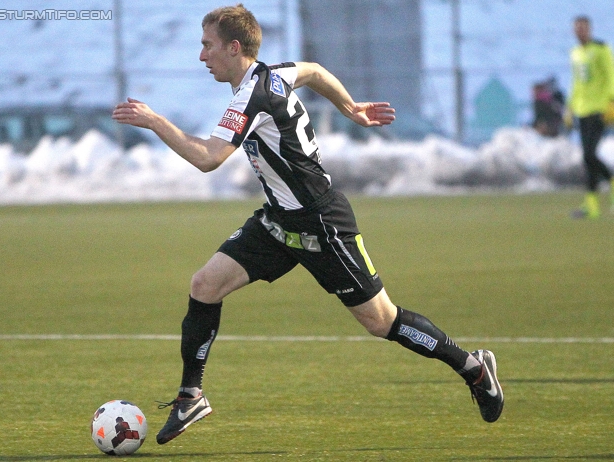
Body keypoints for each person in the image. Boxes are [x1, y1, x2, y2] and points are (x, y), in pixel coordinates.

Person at [112, 4, 504, 445]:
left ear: (234, 47)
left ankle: (471, 367)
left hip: (321, 223)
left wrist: (154, 121)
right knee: (204, 285)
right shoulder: (273, 73)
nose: (202, 56)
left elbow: (208, 157)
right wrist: (351, 107)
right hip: (279, 221)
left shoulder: (251, 97)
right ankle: (190, 396)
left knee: (381, 321)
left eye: (208, 46)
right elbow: (314, 71)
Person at [566, 16, 614, 219]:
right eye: (577, 28)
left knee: (589, 155)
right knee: (588, 159)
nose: (580, 31)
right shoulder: (575, 53)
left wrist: (611, 101)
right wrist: (569, 109)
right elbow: (577, 83)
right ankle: (592, 207)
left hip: (599, 109)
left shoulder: (601, 49)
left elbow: (611, 75)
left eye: (584, 28)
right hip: (582, 111)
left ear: (590, 29)